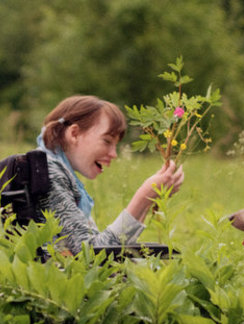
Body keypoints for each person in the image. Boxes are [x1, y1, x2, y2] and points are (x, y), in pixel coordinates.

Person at [35, 95, 185, 255]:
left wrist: (149, 200)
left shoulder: (51, 170)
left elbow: (107, 250)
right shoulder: (49, 174)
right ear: (74, 134)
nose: (114, 154)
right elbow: (92, 255)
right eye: (107, 141)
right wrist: (143, 196)